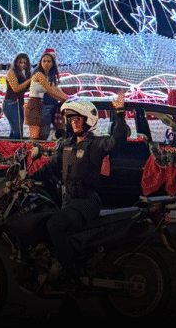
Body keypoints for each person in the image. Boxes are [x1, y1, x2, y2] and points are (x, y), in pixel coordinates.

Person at [32, 96, 129, 292]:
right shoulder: (66, 144)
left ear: (87, 121)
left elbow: (118, 139)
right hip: (68, 201)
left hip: (86, 201)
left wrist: (119, 113)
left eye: (78, 119)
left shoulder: (95, 145)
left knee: (55, 225)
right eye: (71, 119)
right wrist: (28, 178)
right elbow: (51, 168)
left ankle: (69, 274)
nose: (74, 122)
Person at [26, 52, 67, 140]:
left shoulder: (47, 76)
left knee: (43, 135)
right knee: (35, 137)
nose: (46, 63)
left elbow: (54, 89)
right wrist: (65, 99)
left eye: (49, 61)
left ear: (52, 64)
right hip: (34, 104)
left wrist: (66, 98)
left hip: (40, 104)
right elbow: (50, 90)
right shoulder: (39, 74)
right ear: (40, 62)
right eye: (44, 61)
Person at [2, 54, 32, 139]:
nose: (23, 65)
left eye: (25, 63)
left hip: (17, 102)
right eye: (21, 62)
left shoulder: (22, 74)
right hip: (11, 102)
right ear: (16, 63)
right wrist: (29, 80)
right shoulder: (12, 72)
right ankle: (14, 146)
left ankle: (13, 145)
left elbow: (23, 89)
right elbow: (16, 88)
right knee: (17, 131)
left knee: (17, 130)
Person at [40, 49, 64, 140]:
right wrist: (63, 98)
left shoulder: (52, 72)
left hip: (52, 103)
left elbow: (54, 88)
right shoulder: (43, 73)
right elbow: (50, 90)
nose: (53, 60)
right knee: (45, 130)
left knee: (55, 128)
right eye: (47, 60)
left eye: (53, 58)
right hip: (45, 103)